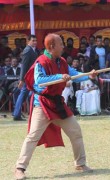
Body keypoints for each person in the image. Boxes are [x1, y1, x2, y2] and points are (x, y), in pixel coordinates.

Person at [14, 34, 96, 180]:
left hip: (58, 104)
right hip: (43, 104)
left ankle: (80, 164)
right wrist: (60, 77)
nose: (63, 46)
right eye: (60, 44)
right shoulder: (41, 61)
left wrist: (88, 75)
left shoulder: (62, 61)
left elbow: (73, 74)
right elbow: (39, 81)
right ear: (52, 47)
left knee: (75, 131)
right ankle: (19, 168)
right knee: (32, 136)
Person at [13, 35, 39, 121]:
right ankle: (17, 114)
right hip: (27, 77)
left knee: (23, 94)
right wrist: (22, 79)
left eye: (35, 41)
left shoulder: (32, 50)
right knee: (23, 94)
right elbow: (24, 66)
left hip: (30, 77)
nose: (35, 42)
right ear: (28, 41)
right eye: (33, 41)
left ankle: (17, 113)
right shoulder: (28, 50)